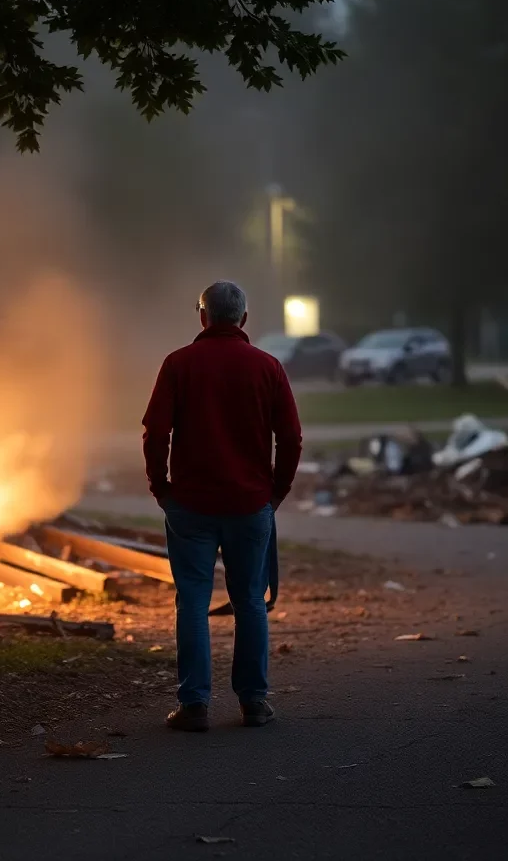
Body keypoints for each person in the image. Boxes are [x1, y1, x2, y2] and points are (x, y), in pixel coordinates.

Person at [142, 281, 302, 731]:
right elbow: (290, 438)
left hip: (190, 505)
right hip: (250, 505)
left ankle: (194, 705)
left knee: (191, 602)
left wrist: (161, 488)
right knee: (250, 600)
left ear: (203, 317)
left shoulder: (178, 365)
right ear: (244, 320)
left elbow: (156, 433)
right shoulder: (268, 367)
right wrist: (276, 492)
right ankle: (253, 702)